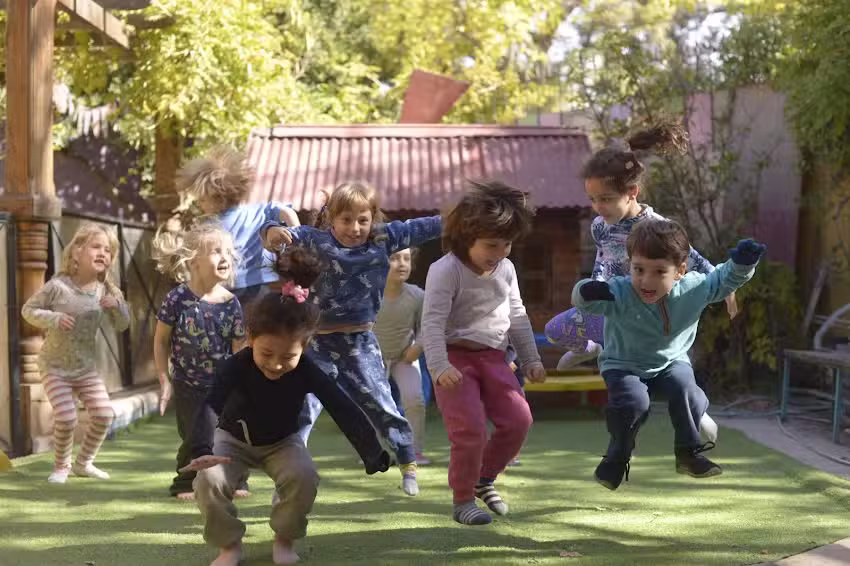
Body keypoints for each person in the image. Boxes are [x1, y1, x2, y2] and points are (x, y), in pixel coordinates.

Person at [182, 245, 390, 566]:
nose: (276, 365)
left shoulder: (307, 369)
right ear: (250, 338)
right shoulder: (236, 365)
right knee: (209, 480)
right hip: (232, 440)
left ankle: (284, 537)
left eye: (288, 357)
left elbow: (341, 405)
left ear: (304, 347)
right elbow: (211, 405)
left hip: (282, 442)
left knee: (304, 476)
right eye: (266, 354)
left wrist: (371, 450)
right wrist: (200, 448)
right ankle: (229, 545)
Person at [261, 181, 441, 497]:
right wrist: (273, 233)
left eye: (362, 220)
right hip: (317, 345)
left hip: (360, 343)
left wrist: (459, 218)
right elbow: (278, 234)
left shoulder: (385, 239)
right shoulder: (315, 239)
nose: (354, 228)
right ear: (332, 218)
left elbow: (426, 226)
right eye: (346, 220)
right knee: (303, 408)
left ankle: (408, 464)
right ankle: (288, 474)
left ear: (373, 219)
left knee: (382, 404)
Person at [571, 219, 765, 490]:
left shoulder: (695, 288)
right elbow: (584, 301)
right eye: (638, 269)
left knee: (689, 390)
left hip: (671, 361)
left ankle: (688, 452)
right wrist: (586, 291)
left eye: (659, 271)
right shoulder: (621, 292)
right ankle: (617, 456)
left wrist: (743, 265)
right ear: (630, 265)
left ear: (680, 271)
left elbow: (723, 280)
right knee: (634, 403)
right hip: (624, 364)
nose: (646, 281)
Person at [544, 123, 737, 372]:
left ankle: (645, 363)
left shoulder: (656, 228)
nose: (598, 207)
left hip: (633, 311)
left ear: (632, 192)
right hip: (602, 306)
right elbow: (602, 262)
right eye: (592, 199)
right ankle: (591, 349)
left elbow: (695, 260)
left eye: (606, 199)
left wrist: (729, 289)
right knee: (553, 331)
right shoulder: (599, 226)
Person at [420, 180, 546, 526]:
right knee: (470, 431)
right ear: (467, 237)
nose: (501, 251)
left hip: (494, 357)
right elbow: (431, 322)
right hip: (454, 359)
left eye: (507, 243)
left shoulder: (506, 269)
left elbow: (517, 314)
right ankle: (463, 501)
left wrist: (531, 358)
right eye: (492, 244)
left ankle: (484, 479)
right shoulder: (444, 270)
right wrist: (438, 366)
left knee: (519, 420)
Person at [22, 223, 130, 483]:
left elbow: (123, 325)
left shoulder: (107, 291)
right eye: (96, 246)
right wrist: (55, 317)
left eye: (108, 250)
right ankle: (61, 467)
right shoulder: (58, 286)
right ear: (77, 253)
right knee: (67, 416)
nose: (103, 253)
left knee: (104, 414)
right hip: (54, 366)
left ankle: (83, 464)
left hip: (85, 369)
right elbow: (28, 310)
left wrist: (117, 307)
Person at [152, 223, 249, 500]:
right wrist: (164, 379)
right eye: (216, 251)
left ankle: (237, 478)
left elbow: (239, 346)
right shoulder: (177, 299)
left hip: (224, 383)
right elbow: (160, 341)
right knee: (195, 434)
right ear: (194, 261)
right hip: (187, 383)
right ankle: (185, 481)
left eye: (228, 252)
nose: (225, 258)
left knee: (230, 433)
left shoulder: (231, 303)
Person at [176, 145, 301, 306]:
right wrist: (298, 236)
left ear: (218, 197)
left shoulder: (208, 227)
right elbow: (286, 211)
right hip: (261, 287)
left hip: (228, 288)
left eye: (202, 199)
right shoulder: (259, 211)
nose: (198, 204)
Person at [374, 247, 430, 466]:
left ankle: (414, 451)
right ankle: (378, 451)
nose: (402, 264)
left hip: (404, 359)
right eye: (395, 258)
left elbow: (427, 326)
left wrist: (418, 346)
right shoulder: (370, 293)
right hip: (373, 361)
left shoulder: (417, 295)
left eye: (406, 259)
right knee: (373, 405)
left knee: (414, 400)